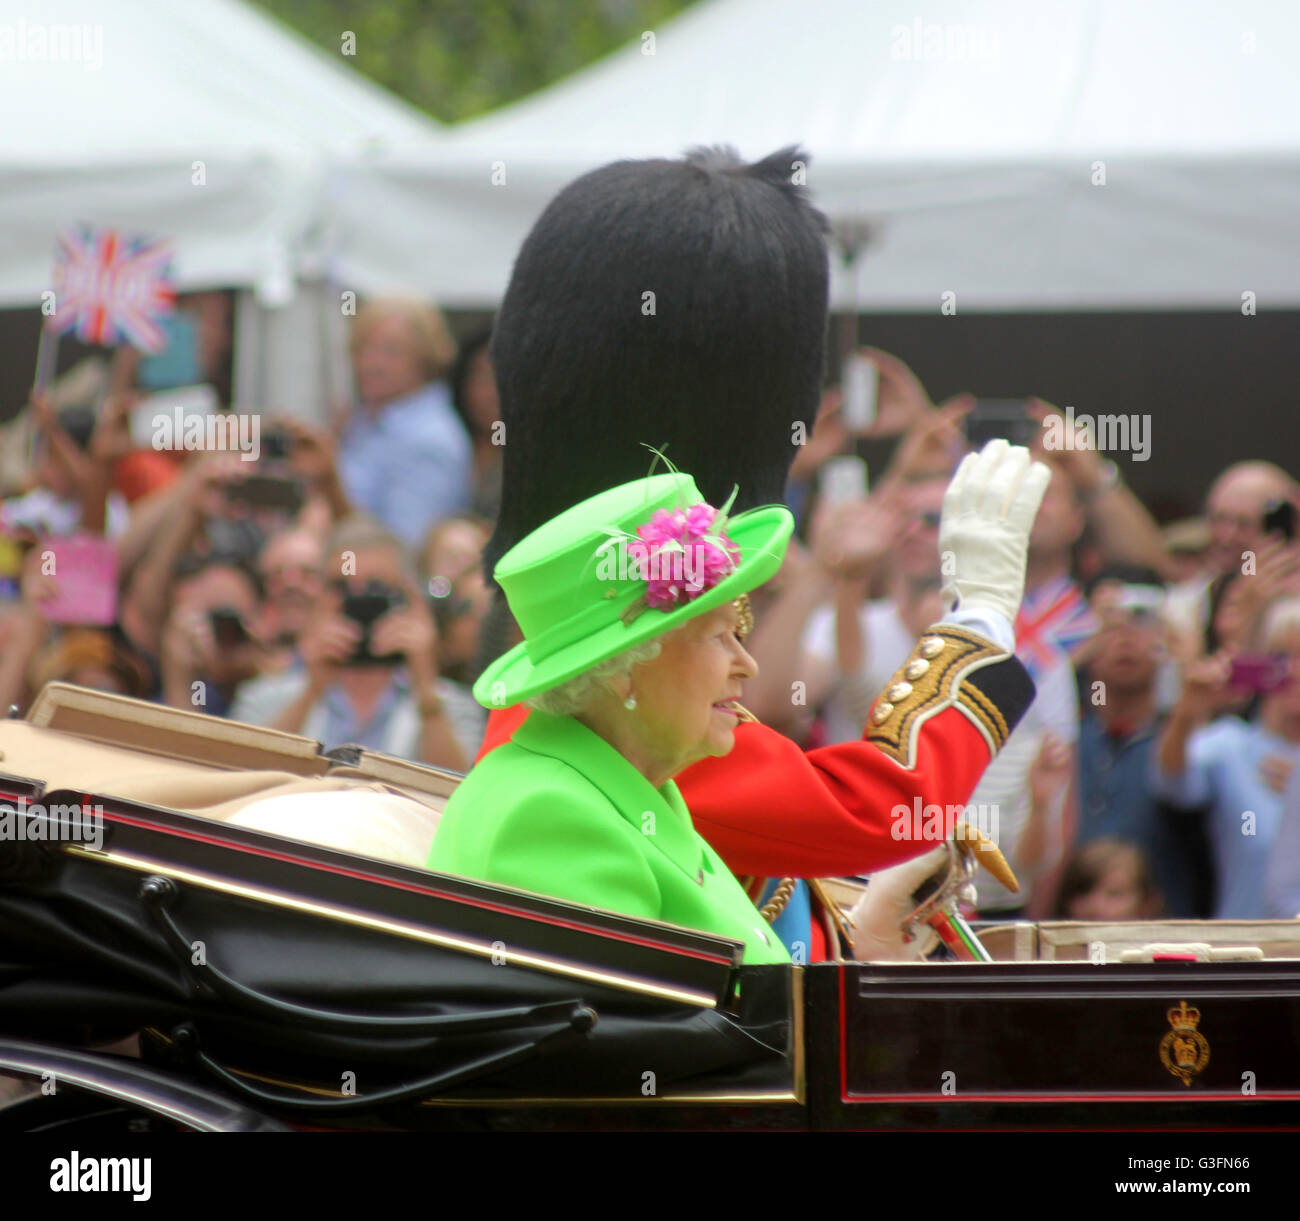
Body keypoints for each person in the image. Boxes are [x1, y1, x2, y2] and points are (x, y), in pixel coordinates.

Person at [471, 145, 1048, 961]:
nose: (740, 664)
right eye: (720, 632)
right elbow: (880, 806)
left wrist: (862, 932)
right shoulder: (616, 729)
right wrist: (981, 615)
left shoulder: (623, 707)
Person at [430, 472, 795, 961]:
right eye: (718, 636)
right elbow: (635, 1036)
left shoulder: (634, 789)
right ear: (624, 670)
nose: (746, 665)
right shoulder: (551, 818)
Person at [229, 516, 480, 770]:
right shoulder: (263, 697)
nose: (358, 602)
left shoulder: (450, 706)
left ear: (408, 598)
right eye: (342, 587)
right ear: (320, 596)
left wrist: (426, 691)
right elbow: (245, 777)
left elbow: (458, 791)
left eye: (376, 587)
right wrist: (311, 691)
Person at [1153, 595, 1300, 918]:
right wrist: (1188, 710)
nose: (1292, 669)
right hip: (1244, 952)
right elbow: (1172, 784)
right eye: (1280, 656)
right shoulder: (1231, 745)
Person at [337, 297, 471, 549]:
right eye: (362, 349)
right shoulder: (365, 420)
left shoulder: (430, 439)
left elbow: (399, 552)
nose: (370, 363)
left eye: (390, 351)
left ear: (425, 359)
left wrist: (328, 484)